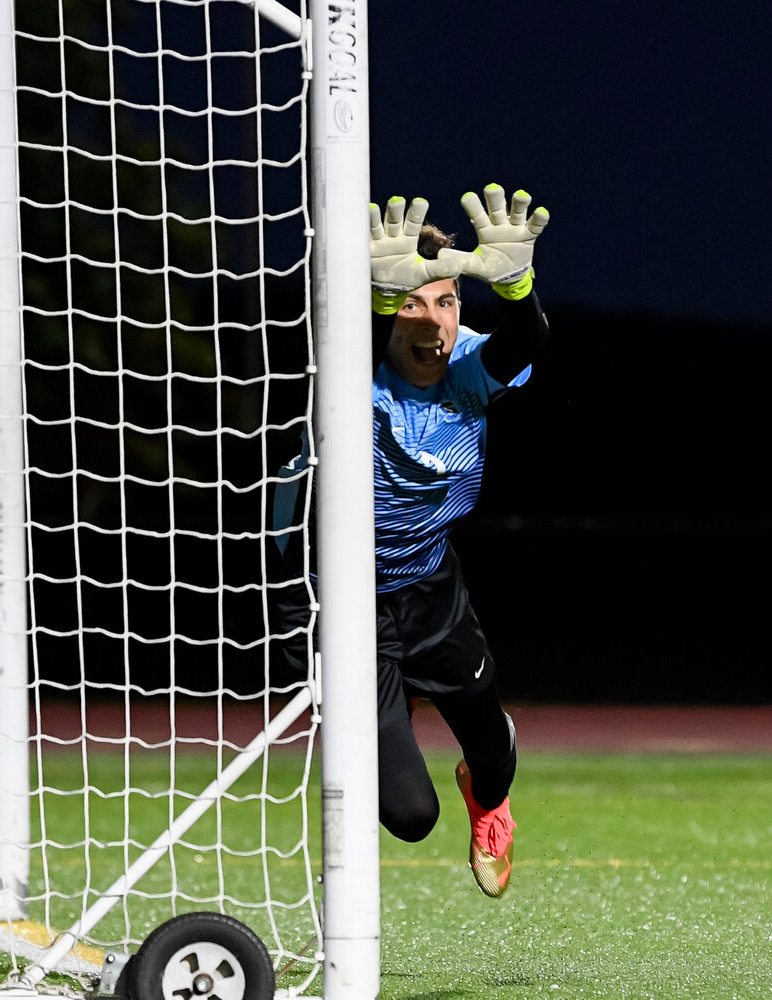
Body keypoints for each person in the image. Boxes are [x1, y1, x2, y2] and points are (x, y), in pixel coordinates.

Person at [271, 184, 550, 897]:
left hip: (430, 588)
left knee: (493, 754)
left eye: (447, 301)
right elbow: (351, 357)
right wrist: (375, 301)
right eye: (413, 302)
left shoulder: (471, 366)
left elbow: (525, 340)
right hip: (346, 605)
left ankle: (487, 801)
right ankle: (390, 710)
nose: (432, 320)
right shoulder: (346, 372)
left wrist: (517, 289)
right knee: (409, 814)